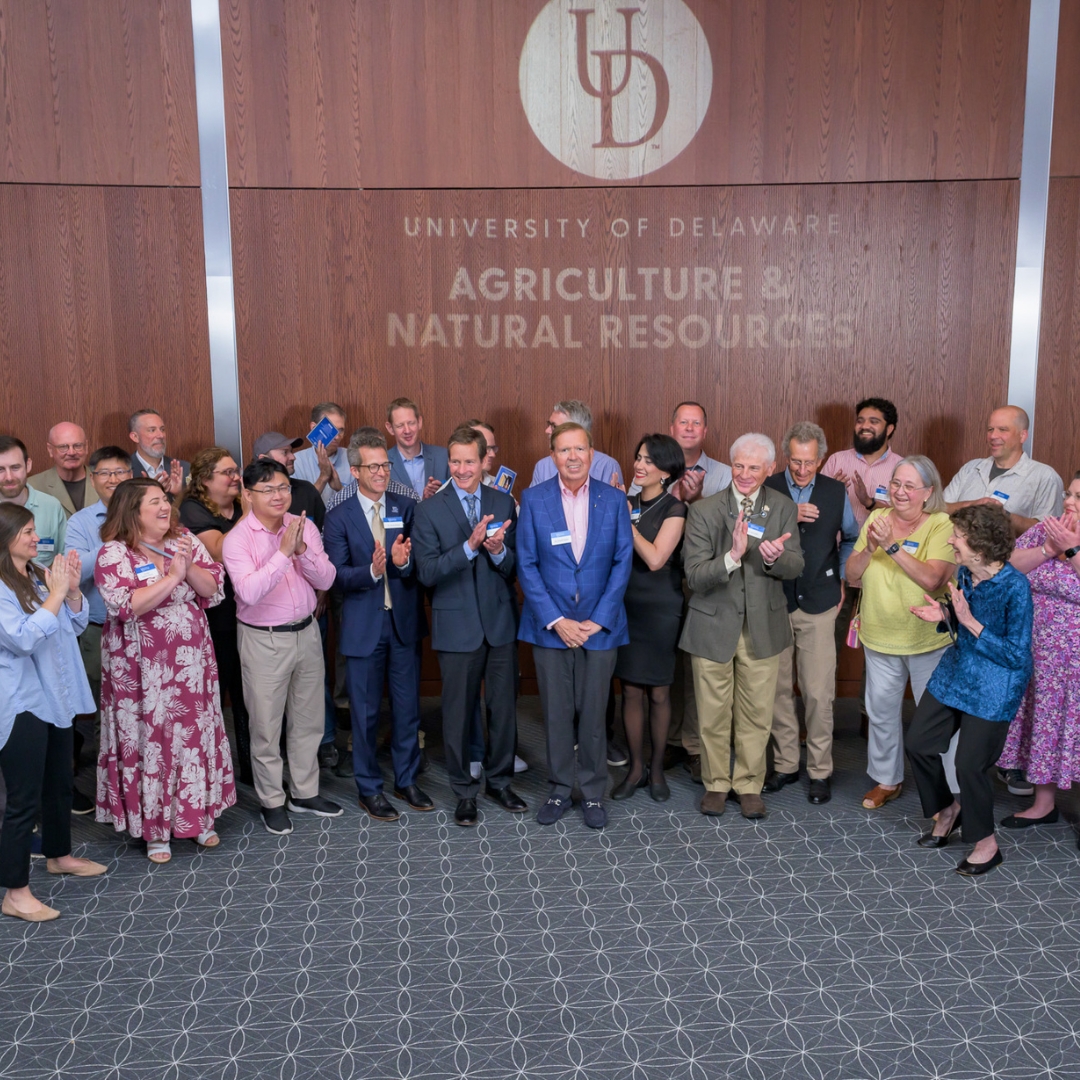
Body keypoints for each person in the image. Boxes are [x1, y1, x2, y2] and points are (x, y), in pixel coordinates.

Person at [95, 479, 236, 862]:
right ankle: (155, 829)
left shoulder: (184, 538)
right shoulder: (114, 553)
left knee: (194, 732)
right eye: (154, 502)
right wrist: (172, 577)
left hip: (191, 663)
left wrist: (187, 568)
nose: (164, 507)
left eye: (165, 500)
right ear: (131, 511)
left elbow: (213, 588)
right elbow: (126, 606)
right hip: (140, 668)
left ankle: (199, 818)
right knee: (150, 739)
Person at [680, 434, 803, 820]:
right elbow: (695, 576)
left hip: (763, 626)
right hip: (712, 626)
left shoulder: (783, 507)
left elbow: (796, 565)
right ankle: (716, 783)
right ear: (730, 466)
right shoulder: (704, 511)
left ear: (769, 469)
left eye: (754, 467)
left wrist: (774, 559)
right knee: (713, 713)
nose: (745, 474)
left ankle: (749, 784)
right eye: (739, 466)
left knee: (756, 713)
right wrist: (733, 556)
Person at [905, 503, 1033, 876]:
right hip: (958, 673)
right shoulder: (964, 573)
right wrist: (945, 616)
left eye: (957, 537)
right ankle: (947, 809)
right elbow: (960, 617)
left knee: (969, 766)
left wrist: (969, 623)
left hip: (996, 686)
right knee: (918, 742)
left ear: (979, 546)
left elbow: (1016, 655)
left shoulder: (1015, 587)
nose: (951, 541)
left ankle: (986, 843)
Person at [517, 421, 633, 829]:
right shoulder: (533, 499)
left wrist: (598, 620)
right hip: (551, 628)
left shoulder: (614, 500)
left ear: (592, 453)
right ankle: (560, 788)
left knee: (594, 714)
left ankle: (593, 793)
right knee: (557, 712)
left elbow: (622, 562)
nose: (572, 457)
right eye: (563, 450)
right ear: (552, 456)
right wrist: (557, 619)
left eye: (579, 449)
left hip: (601, 628)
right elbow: (526, 564)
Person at [413, 427, 526, 824]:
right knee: (458, 714)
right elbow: (426, 572)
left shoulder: (502, 501)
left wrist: (497, 553)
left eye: (469, 461)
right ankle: (464, 791)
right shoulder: (428, 509)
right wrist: (469, 548)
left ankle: (500, 782)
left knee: (503, 710)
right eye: (455, 461)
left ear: (484, 462)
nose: (461, 469)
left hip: (499, 624)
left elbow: (516, 569)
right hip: (457, 627)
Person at [222, 461, 342, 835]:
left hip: (306, 632)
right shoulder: (238, 538)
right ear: (248, 494)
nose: (279, 496)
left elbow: (328, 577)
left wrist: (302, 547)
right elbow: (249, 592)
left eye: (284, 487)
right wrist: (282, 553)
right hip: (264, 638)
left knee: (308, 720)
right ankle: (272, 799)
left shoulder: (300, 525)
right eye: (268, 489)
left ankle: (304, 792)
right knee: (266, 725)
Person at [0, 506, 105, 922]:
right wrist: (58, 593)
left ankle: (59, 853)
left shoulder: (40, 572)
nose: (35, 537)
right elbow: (21, 639)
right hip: (21, 699)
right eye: (26, 531)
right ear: (5, 537)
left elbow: (72, 625)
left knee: (59, 780)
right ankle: (15, 892)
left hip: (55, 694)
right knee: (23, 800)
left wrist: (73, 591)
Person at [323, 430, 431, 821]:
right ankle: (369, 789)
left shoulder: (406, 506)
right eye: (375, 467)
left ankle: (406, 779)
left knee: (407, 709)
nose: (384, 472)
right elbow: (335, 575)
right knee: (365, 715)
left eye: (385, 465)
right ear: (355, 471)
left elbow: (419, 563)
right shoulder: (338, 516)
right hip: (362, 628)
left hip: (402, 624)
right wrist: (372, 569)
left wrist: (402, 563)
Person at [844, 456, 955, 809]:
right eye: (895, 483)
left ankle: (950, 788)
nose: (900, 492)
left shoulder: (941, 524)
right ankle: (886, 779)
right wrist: (871, 548)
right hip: (880, 633)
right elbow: (852, 574)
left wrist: (891, 546)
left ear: (928, 492)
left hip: (927, 639)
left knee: (936, 718)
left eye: (909, 486)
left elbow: (933, 579)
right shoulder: (876, 518)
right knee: (881, 712)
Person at [762, 422, 860, 805]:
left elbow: (851, 536)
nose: (802, 470)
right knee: (778, 690)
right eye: (796, 461)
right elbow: (750, 532)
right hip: (774, 599)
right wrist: (786, 516)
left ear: (821, 458)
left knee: (819, 693)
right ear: (787, 456)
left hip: (819, 601)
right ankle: (786, 765)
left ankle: (820, 771)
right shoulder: (768, 487)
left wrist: (842, 572)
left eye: (810, 462)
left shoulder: (837, 491)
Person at [995, 471, 1080, 837]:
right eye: (1070, 494)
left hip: (1074, 661)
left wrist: (1071, 549)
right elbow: (1009, 565)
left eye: (1079, 497)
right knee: (1044, 726)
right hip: (1038, 656)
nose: (1069, 502)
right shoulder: (1048, 527)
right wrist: (1048, 548)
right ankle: (1044, 805)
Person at [611, 434, 687, 803]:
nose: (639, 465)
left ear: (667, 470)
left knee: (658, 692)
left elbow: (656, 559)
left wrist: (628, 524)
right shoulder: (622, 502)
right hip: (625, 606)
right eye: (638, 457)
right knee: (630, 690)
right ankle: (635, 768)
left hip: (659, 608)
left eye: (649, 461)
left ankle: (657, 770)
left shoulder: (676, 508)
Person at [64, 446, 133, 811]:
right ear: (93, 480)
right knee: (101, 713)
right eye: (104, 474)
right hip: (98, 629)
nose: (112, 480)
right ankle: (113, 794)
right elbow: (77, 571)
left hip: (145, 630)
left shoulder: (151, 512)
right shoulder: (81, 523)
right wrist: (115, 539)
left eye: (119, 472)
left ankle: (140, 784)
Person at [179, 448, 253, 785]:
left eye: (236, 470)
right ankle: (213, 774)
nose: (236, 476)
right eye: (227, 472)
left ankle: (253, 769)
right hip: (215, 618)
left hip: (249, 609)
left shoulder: (239, 506)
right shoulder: (192, 510)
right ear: (205, 480)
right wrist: (248, 517)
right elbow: (220, 551)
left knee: (248, 694)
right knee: (215, 695)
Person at [944, 406, 1063, 536]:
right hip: (955, 554)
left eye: (1003, 429)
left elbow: (1048, 532)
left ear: (1022, 436)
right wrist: (972, 505)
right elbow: (940, 508)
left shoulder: (1045, 476)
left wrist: (1003, 515)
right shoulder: (970, 468)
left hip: (1010, 556)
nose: (993, 436)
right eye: (990, 429)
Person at [821, 398, 901, 528]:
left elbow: (908, 516)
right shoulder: (836, 460)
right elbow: (816, 506)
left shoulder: (902, 468)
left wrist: (869, 503)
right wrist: (832, 494)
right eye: (860, 421)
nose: (864, 426)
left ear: (889, 429)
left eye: (873, 422)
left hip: (880, 546)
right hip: (837, 545)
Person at [629, 402, 732, 502]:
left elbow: (728, 518)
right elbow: (633, 513)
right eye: (683, 422)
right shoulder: (648, 470)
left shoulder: (726, 475)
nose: (689, 428)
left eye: (696, 423)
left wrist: (696, 499)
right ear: (672, 429)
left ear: (705, 432)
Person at [0, 436, 66, 568]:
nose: (9, 477)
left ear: (28, 465)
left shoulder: (51, 506)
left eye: (15, 468)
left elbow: (64, 558)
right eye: (0, 470)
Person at [529, 401, 622, 487]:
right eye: (548, 425)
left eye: (554, 426)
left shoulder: (607, 466)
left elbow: (612, 503)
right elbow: (533, 503)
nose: (547, 431)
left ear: (577, 430)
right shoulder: (542, 467)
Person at [327, 429, 422, 511]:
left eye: (385, 465)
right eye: (373, 466)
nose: (382, 473)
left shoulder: (409, 497)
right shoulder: (338, 502)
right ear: (355, 471)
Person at [252, 431, 326, 528]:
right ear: (264, 459)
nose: (293, 457)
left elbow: (324, 531)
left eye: (291, 451)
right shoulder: (251, 496)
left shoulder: (306, 489)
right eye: (285, 452)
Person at [385, 397, 450, 500]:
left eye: (411, 423)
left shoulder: (443, 457)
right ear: (390, 428)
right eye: (400, 425)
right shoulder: (383, 463)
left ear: (419, 422)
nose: (407, 430)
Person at [28, 422, 95, 517]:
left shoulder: (106, 481)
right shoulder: (32, 487)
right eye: (63, 447)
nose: (71, 452)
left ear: (86, 447)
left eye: (77, 445)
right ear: (50, 449)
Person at [292, 402, 350, 505]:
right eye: (331, 430)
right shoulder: (296, 462)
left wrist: (340, 488)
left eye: (340, 430)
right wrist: (323, 478)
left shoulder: (352, 458)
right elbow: (297, 507)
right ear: (314, 427)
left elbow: (363, 505)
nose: (337, 437)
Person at [127, 410, 189, 496]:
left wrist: (178, 495)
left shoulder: (186, 469)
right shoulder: (124, 472)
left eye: (162, 429)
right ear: (135, 437)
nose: (161, 435)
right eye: (152, 430)